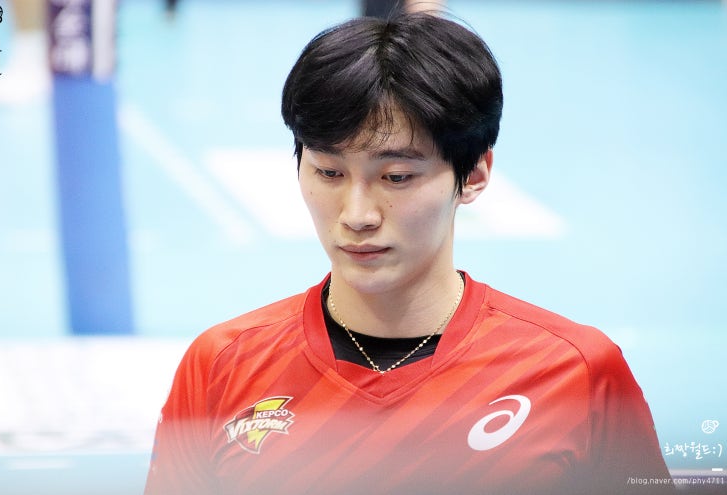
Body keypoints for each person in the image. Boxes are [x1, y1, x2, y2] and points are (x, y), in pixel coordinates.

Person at [144, 12, 672, 495]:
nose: (357, 214)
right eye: (329, 172)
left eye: (396, 176)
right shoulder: (221, 365)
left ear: (474, 174)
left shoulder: (573, 371)